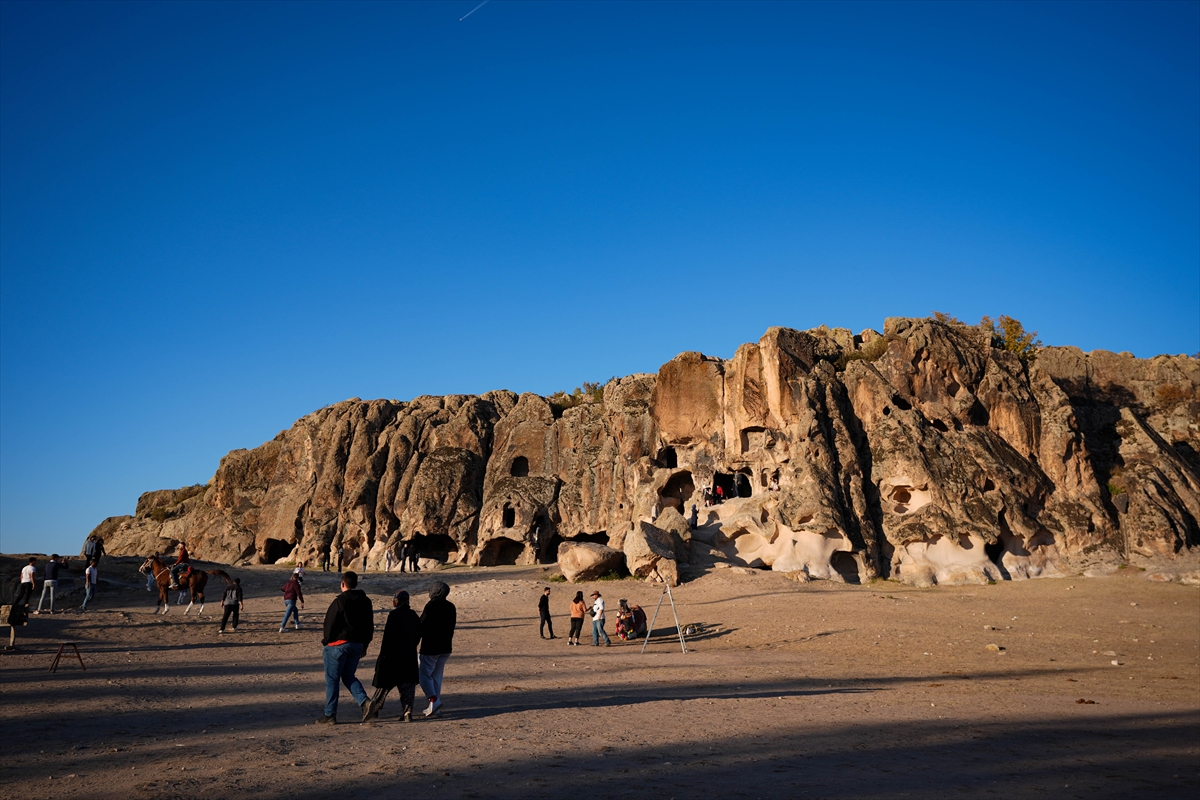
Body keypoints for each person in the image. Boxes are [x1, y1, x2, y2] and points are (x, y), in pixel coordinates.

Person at [317, 571, 374, 724]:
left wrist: (326, 641)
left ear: (342, 584)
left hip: (338, 645)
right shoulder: (366, 601)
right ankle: (365, 702)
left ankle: (330, 714)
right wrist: (365, 644)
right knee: (348, 676)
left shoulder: (340, 601)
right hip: (357, 644)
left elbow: (329, 623)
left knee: (332, 679)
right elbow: (369, 625)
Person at [363, 590, 421, 723]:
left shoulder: (394, 615)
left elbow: (388, 639)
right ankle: (407, 712)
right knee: (408, 687)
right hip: (409, 656)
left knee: (383, 686)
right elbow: (417, 636)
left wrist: (383, 657)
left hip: (393, 656)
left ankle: (373, 709)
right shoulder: (413, 616)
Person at [418, 581, 456, 717]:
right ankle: (434, 707)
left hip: (431, 647)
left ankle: (434, 699)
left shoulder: (431, 605)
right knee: (436, 677)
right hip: (446, 647)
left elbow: (422, 625)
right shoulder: (451, 606)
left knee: (423, 675)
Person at [12, 557, 36, 623]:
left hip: (23, 582)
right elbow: (32, 576)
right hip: (28, 582)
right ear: (33, 561)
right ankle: (25, 606)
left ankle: (15, 604)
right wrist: (33, 584)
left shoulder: (24, 568)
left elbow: (21, 575)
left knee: (20, 594)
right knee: (27, 594)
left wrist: (21, 581)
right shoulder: (32, 568)